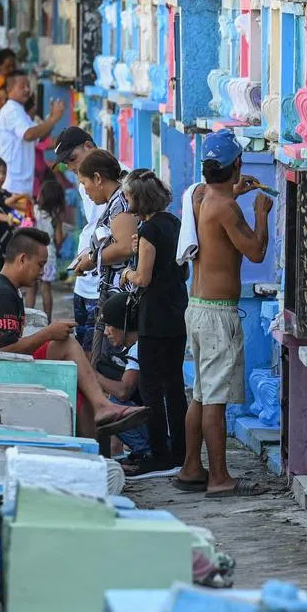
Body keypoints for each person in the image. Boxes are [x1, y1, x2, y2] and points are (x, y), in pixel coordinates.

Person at [0, 228, 151, 438]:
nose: (42, 272)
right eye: (40, 265)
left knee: (78, 381)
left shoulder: (6, 289)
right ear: (22, 259)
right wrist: (48, 333)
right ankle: (102, 408)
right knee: (67, 345)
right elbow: (5, 349)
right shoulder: (2, 294)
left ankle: (98, 435)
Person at [176, 131, 271, 498]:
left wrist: (235, 189)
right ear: (236, 165)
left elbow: (214, 196)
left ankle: (191, 467)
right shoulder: (227, 208)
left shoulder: (200, 197)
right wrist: (260, 213)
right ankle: (219, 477)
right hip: (217, 314)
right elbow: (256, 251)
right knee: (213, 399)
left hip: (197, 308)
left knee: (200, 395)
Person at [121, 170, 189, 478]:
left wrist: (126, 273)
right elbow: (182, 269)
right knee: (174, 385)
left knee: (151, 387)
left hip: (154, 316)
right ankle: (181, 452)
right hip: (177, 310)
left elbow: (143, 277)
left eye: (128, 196)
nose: (125, 200)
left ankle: (159, 454)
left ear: (138, 198)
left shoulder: (148, 230)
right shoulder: (174, 224)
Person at [53, 127, 125, 354]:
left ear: (89, 146)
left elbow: (124, 243)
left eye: (72, 159)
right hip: (85, 281)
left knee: (102, 356)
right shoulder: (84, 184)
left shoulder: (124, 184)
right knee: (85, 352)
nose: (72, 168)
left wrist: (94, 259)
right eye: (68, 165)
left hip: (106, 284)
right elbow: (93, 227)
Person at [73, 150, 133, 364]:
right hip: (112, 296)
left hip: (123, 299)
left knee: (113, 363)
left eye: (85, 183)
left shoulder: (121, 203)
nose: (85, 191)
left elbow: (125, 247)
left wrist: (92, 258)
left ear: (98, 178)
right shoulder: (113, 202)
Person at [94, 292, 151, 468]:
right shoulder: (137, 346)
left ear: (124, 324)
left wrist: (91, 375)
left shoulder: (138, 349)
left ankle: (146, 452)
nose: (105, 333)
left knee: (111, 403)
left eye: (110, 326)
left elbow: (123, 391)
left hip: (161, 431)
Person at [0, 71, 65, 199]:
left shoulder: (20, 111)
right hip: (13, 185)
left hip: (21, 184)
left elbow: (39, 137)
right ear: (10, 89)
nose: (27, 90)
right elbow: (28, 135)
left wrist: (51, 118)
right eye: (22, 86)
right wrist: (53, 119)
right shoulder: (11, 110)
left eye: (28, 86)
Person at [26, 179, 66, 315]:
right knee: (46, 288)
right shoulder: (55, 217)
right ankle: (47, 319)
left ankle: (28, 316)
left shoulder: (34, 211)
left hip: (33, 252)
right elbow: (59, 240)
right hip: (49, 254)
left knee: (31, 287)